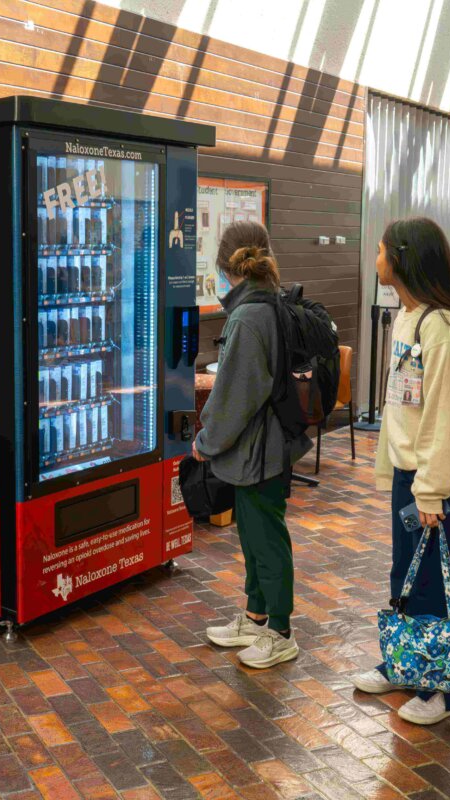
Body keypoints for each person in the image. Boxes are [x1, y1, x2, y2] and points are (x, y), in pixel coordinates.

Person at [350, 218, 450, 725]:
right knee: (405, 574)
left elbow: (445, 417)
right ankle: (406, 664)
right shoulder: (408, 317)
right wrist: (397, 473)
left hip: (447, 474)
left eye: (382, 249)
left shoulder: (444, 330)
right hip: (417, 473)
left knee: (435, 579)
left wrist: (430, 491)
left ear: (402, 259)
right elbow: (402, 407)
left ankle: (445, 692)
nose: (377, 257)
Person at [195, 221, 309, 670]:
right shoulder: (269, 303)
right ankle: (256, 615)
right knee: (255, 533)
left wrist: (206, 439)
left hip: (259, 451)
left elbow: (234, 397)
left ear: (227, 264)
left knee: (266, 539)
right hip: (269, 446)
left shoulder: (247, 317)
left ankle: (280, 631)